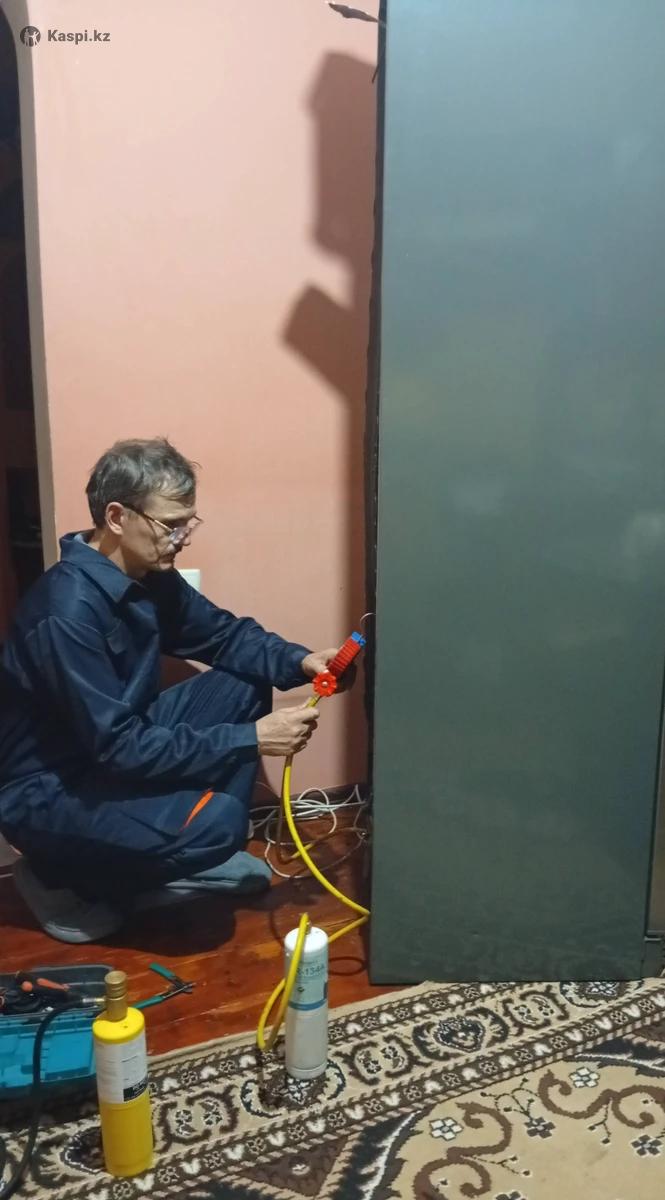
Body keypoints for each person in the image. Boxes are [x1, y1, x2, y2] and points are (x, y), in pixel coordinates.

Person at [0, 438, 352, 943]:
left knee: (244, 680)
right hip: (50, 791)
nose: (182, 538)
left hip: (109, 751)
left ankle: (181, 847)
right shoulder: (67, 612)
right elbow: (119, 747)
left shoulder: (146, 575)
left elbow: (224, 637)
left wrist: (299, 661)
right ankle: (61, 875)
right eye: (171, 524)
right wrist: (252, 738)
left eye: (189, 523)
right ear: (117, 517)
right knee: (219, 825)